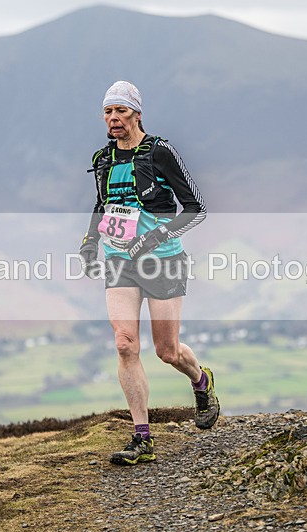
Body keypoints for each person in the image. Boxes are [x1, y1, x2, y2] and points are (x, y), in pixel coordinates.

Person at [79, 81, 217, 466]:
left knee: (167, 351)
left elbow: (195, 208)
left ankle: (201, 381)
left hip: (162, 260)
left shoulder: (159, 152)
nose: (113, 119)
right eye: (108, 112)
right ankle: (142, 438)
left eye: (121, 111)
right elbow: (101, 204)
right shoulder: (103, 159)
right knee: (125, 343)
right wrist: (90, 242)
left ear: (137, 114)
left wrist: (154, 238)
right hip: (119, 260)